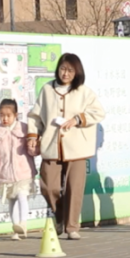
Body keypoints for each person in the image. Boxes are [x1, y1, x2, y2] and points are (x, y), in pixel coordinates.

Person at [28, 53, 105, 240]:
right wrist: (33, 135)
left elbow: (98, 112)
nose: (65, 73)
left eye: (70, 70)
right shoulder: (47, 90)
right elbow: (35, 116)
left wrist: (77, 119)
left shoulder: (84, 92)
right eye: (63, 69)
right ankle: (60, 215)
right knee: (48, 187)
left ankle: (72, 226)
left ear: (77, 71)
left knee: (74, 188)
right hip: (51, 144)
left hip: (77, 148)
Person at [0, 99, 39, 240]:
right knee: (12, 201)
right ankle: (15, 229)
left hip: (24, 172)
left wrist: (34, 148)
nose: (5, 118)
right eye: (2, 115)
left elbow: (34, 146)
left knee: (22, 196)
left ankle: (23, 223)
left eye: (8, 115)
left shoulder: (24, 129)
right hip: (5, 174)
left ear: (15, 115)